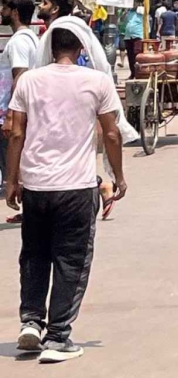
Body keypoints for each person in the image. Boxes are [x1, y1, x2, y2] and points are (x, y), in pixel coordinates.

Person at [5, 27, 127, 363]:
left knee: (34, 255)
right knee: (71, 260)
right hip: (76, 186)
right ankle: (58, 337)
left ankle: (31, 321)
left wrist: (12, 180)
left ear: (50, 46)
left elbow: (16, 132)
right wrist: (118, 175)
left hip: (36, 186)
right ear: (82, 48)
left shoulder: (28, 81)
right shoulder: (97, 81)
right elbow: (112, 133)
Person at [1, 0, 40, 225]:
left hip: (14, 109)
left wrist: (10, 114)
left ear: (14, 12)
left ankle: (24, 204)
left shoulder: (18, 42)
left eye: (4, 8)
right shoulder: (32, 39)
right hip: (23, 108)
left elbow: (19, 77)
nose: (1, 12)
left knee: (13, 158)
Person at [119, 6, 144, 79]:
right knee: (130, 56)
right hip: (128, 36)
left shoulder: (141, 11)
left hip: (138, 36)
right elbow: (121, 20)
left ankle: (138, 73)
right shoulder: (129, 13)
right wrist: (125, 12)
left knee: (137, 55)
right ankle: (132, 73)